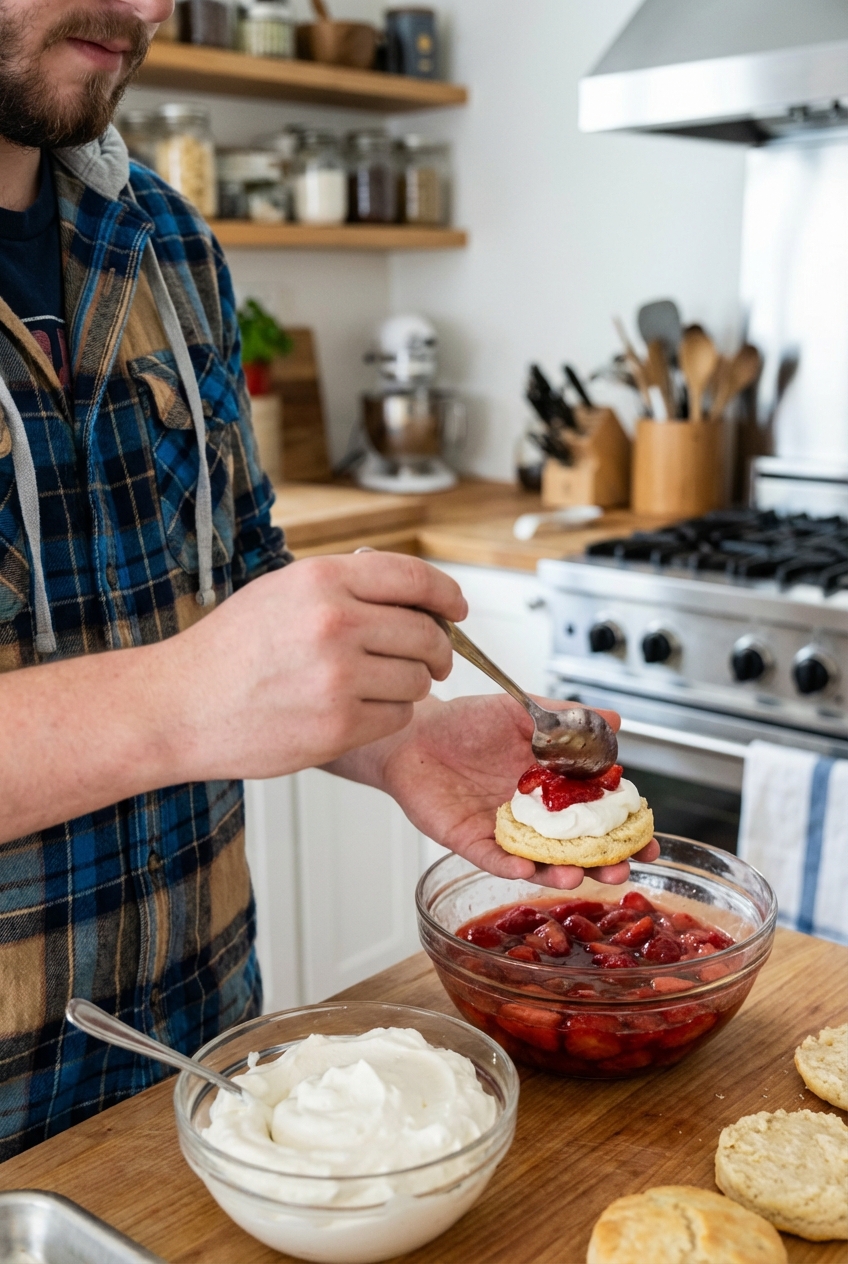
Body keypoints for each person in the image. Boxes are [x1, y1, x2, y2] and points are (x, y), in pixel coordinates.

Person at [0, 0, 658, 1159]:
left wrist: (391, 735)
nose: (152, 7)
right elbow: (192, 688)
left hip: (215, 1079)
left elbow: (234, 583)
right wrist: (174, 704)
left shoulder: (162, 237)